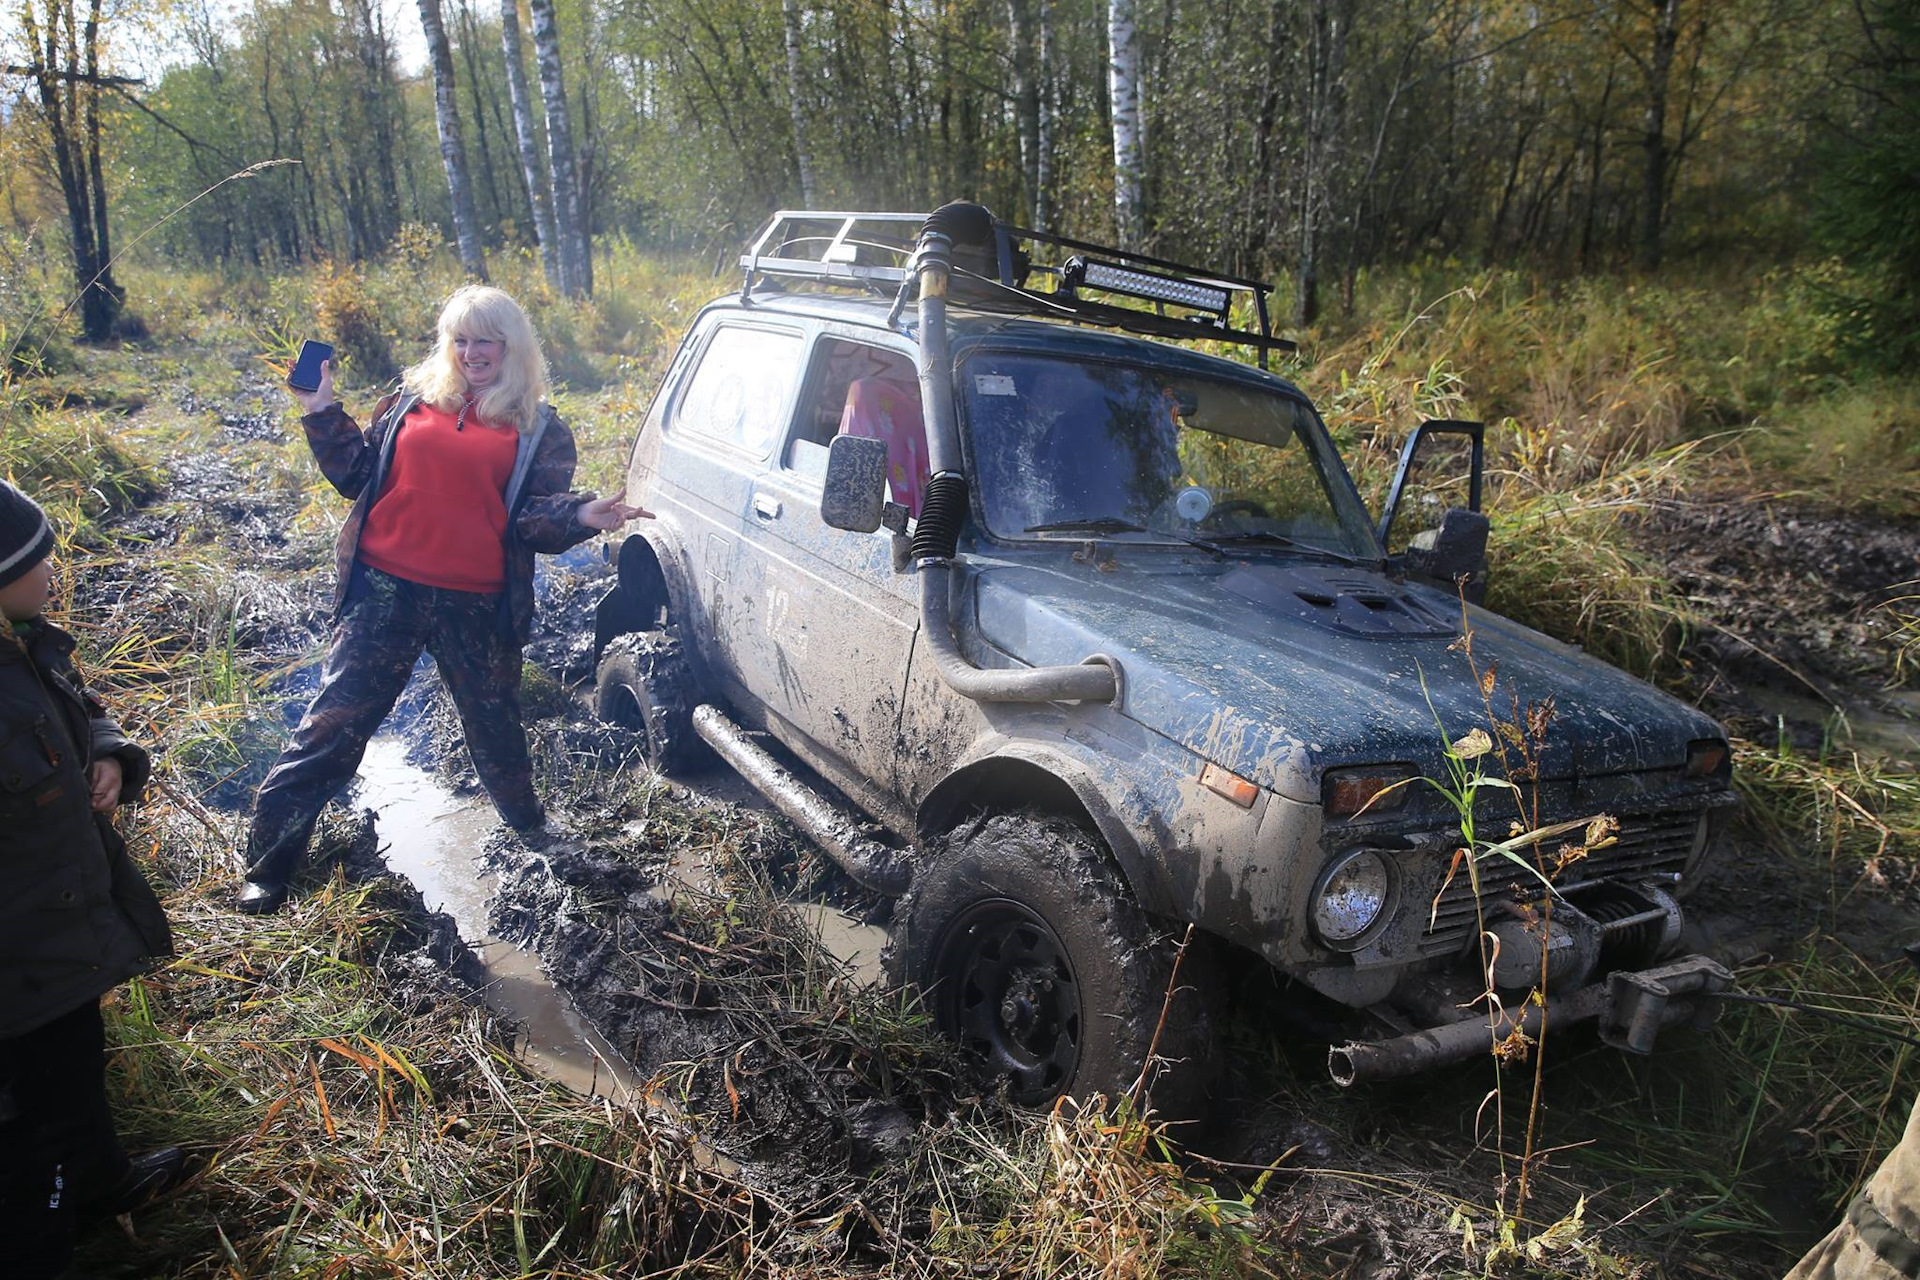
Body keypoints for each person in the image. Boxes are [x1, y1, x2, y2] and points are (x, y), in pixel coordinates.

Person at [238, 284, 645, 914]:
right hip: (383, 590)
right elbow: (356, 476)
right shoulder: (407, 403)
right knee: (333, 725)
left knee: (494, 723)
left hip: (476, 601)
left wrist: (582, 512)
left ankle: (527, 825)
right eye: (460, 338)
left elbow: (532, 517)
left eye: (486, 339)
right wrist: (320, 408)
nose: (471, 352)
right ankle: (268, 866)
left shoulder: (538, 427)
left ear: (512, 346)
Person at [0, 480, 183, 1276]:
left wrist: (108, 755)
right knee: (23, 1123)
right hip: (13, 950)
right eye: (36, 560)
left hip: (55, 925)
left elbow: (75, 702)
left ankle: (104, 1182)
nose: (53, 571)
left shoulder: (22, 638)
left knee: (74, 1058)